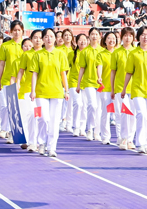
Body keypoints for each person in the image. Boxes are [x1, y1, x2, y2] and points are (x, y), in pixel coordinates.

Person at [30, 28, 69, 157]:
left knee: (54, 121)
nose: (49, 39)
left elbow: (63, 74)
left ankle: (52, 147)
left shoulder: (60, 54)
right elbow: (34, 74)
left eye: (51, 36)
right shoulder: (38, 55)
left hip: (57, 92)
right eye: (46, 36)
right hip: (41, 92)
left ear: (55, 38)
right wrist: (33, 91)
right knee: (43, 119)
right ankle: (41, 143)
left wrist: (66, 90)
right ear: (43, 39)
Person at [74, 28, 103, 141]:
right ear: (89, 36)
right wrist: (78, 84)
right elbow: (82, 69)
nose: (94, 36)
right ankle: (89, 129)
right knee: (92, 105)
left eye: (96, 34)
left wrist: (100, 77)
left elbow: (101, 66)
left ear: (99, 36)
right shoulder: (85, 52)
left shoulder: (103, 51)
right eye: (92, 34)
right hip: (89, 82)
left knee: (99, 108)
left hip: (101, 83)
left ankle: (97, 132)